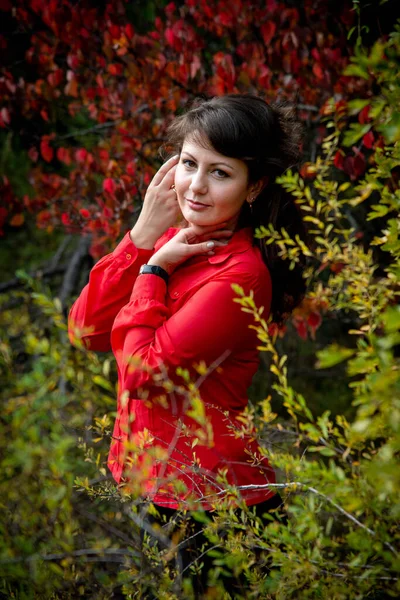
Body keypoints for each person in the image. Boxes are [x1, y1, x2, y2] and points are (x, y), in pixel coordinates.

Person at [68, 94, 306, 595]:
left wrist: (153, 270)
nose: (195, 187)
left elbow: (140, 375)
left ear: (254, 186)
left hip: (219, 505)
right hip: (156, 485)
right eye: (190, 164)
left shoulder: (239, 276)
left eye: (220, 173)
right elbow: (85, 331)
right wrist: (141, 236)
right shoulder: (178, 239)